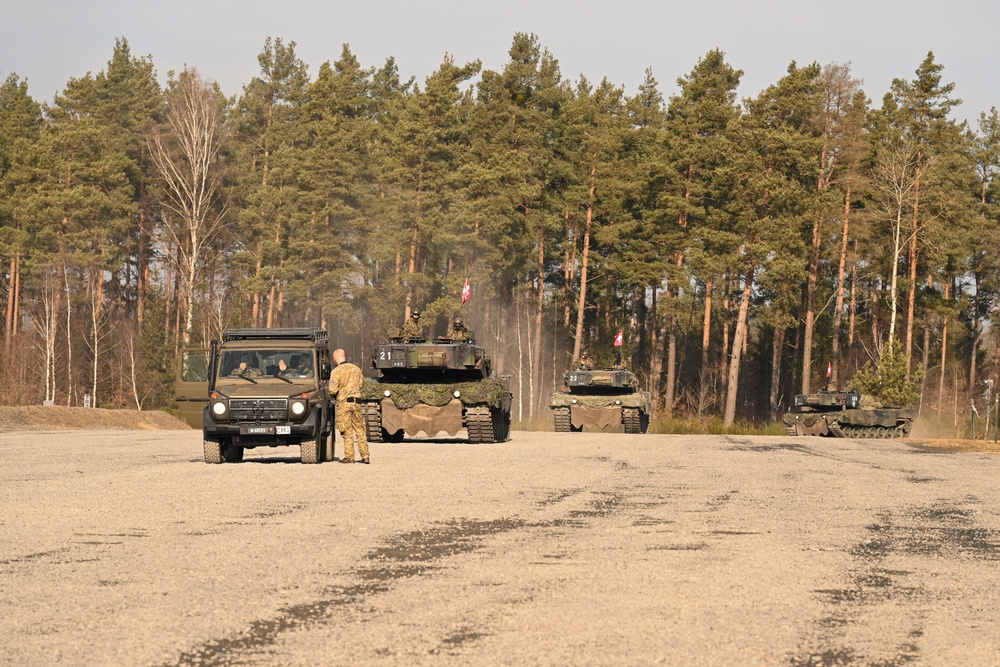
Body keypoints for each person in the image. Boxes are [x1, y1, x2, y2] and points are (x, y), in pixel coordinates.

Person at [328, 348, 370, 464]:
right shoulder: (356, 369)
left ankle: (349, 456)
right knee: (360, 430)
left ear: (336, 357)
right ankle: (365, 456)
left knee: (346, 431)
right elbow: (361, 384)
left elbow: (332, 390)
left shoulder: (336, 371)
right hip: (356, 403)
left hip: (344, 403)